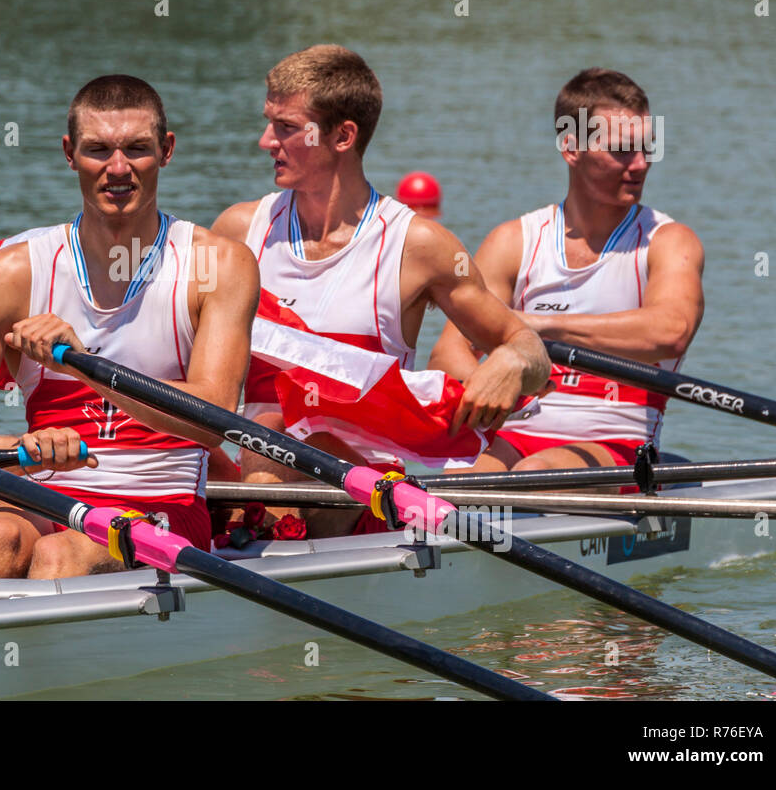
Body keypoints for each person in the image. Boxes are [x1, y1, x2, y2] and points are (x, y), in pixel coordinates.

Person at [211, 45, 550, 535]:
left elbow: (530, 350)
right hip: (255, 475)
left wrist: (513, 362)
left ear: (343, 136)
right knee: (258, 440)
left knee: (282, 437)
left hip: (366, 501)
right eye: (269, 122)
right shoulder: (239, 230)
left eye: (286, 126)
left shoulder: (419, 246)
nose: (266, 141)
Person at [0, 75, 259, 580]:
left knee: (59, 555)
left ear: (167, 150)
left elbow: (214, 417)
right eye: (98, 150)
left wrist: (87, 365)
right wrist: (22, 450)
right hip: (44, 491)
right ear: (69, 153)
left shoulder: (217, 265)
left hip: (162, 502)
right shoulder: (13, 272)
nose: (117, 169)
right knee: (0, 538)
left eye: (136, 149)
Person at [428, 68, 704, 472]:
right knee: (465, 477)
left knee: (533, 475)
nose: (641, 164)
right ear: (571, 148)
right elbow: (447, 352)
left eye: (648, 148)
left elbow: (671, 332)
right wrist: (486, 390)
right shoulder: (514, 241)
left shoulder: (668, 241)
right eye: (623, 150)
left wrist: (529, 328)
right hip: (511, 432)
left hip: (613, 440)